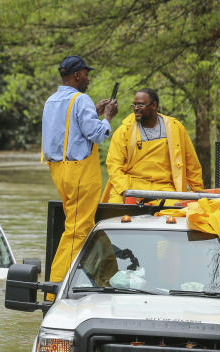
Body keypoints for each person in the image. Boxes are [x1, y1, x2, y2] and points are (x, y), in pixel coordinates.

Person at [42, 55, 118, 282]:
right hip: (81, 174)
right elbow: (97, 134)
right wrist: (106, 118)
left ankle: (108, 278)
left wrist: (93, 112)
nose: (88, 78)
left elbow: (69, 131)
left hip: (59, 172)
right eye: (86, 74)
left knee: (83, 226)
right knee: (76, 232)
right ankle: (55, 288)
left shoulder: (52, 101)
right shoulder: (80, 100)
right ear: (76, 75)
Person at [102, 88, 203, 203]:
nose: (135, 109)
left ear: (154, 105)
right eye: (134, 105)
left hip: (164, 187)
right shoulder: (124, 131)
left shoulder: (175, 127)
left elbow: (191, 163)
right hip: (131, 185)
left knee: (175, 212)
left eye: (140, 105)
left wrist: (199, 191)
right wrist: (124, 189)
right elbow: (114, 165)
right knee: (115, 211)